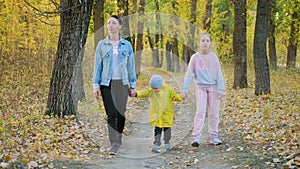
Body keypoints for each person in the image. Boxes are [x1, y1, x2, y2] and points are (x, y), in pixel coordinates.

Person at [93, 15, 137, 155]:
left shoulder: (127, 45)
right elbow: (97, 67)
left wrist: (133, 85)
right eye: (108, 23)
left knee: (121, 113)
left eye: (113, 23)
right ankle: (113, 143)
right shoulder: (101, 45)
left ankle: (118, 136)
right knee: (111, 114)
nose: (110, 25)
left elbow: (131, 67)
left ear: (120, 26)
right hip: (107, 83)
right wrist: (96, 85)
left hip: (122, 83)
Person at [181, 32, 225, 147]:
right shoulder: (195, 58)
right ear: (199, 43)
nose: (205, 43)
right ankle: (196, 137)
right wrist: (184, 90)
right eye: (203, 41)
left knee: (213, 113)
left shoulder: (213, 57)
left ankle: (213, 136)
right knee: (200, 112)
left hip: (214, 88)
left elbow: (219, 74)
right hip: (200, 88)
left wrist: (221, 89)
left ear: (210, 43)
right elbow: (189, 74)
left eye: (207, 41)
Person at [133, 75, 183, 153]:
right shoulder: (152, 91)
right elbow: (144, 93)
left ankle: (167, 143)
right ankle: (157, 145)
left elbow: (174, 96)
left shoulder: (168, 89)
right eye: (153, 88)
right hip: (157, 116)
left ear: (161, 85)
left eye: (156, 88)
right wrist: (136, 94)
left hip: (167, 115)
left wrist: (181, 98)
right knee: (157, 131)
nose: (155, 90)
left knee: (167, 131)